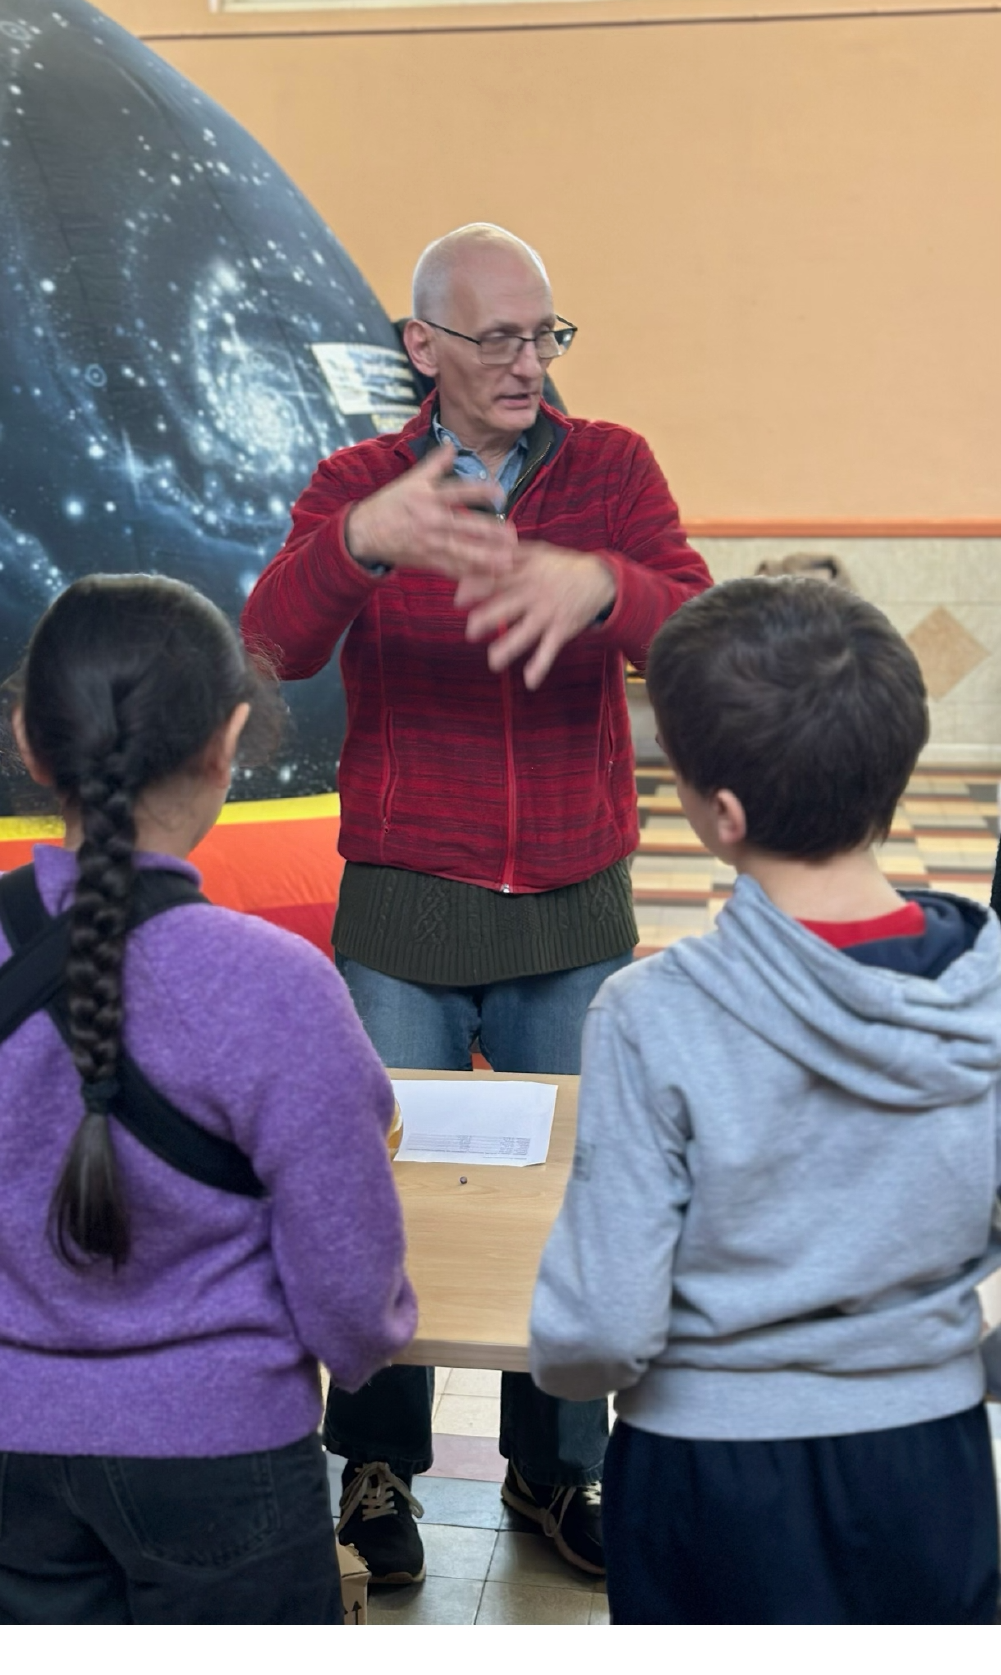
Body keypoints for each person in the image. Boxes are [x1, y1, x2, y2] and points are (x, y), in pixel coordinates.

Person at [241, 222, 711, 1583]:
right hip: (405, 906)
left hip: (573, 905)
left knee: (580, 1197)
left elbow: (699, 632)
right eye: (496, 336)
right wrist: (358, 544)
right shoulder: (356, 480)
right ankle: (375, 1460)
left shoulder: (612, 467)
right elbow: (268, 643)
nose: (527, 362)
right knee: (376, 1191)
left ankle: (554, 1467)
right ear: (421, 345)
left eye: (544, 333)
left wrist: (606, 584)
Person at [0, 573, 417, 1626]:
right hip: (225, 1453)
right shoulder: (277, 981)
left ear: (29, 739)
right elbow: (353, 1300)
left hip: (4, 1450)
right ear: (230, 740)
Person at [529, 576, 1001, 1624]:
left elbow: (599, 1330)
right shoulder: (989, 993)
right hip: (933, 1460)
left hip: (708, 1470)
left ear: (722, 815)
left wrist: (558, 1362)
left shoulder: (652, 1012)